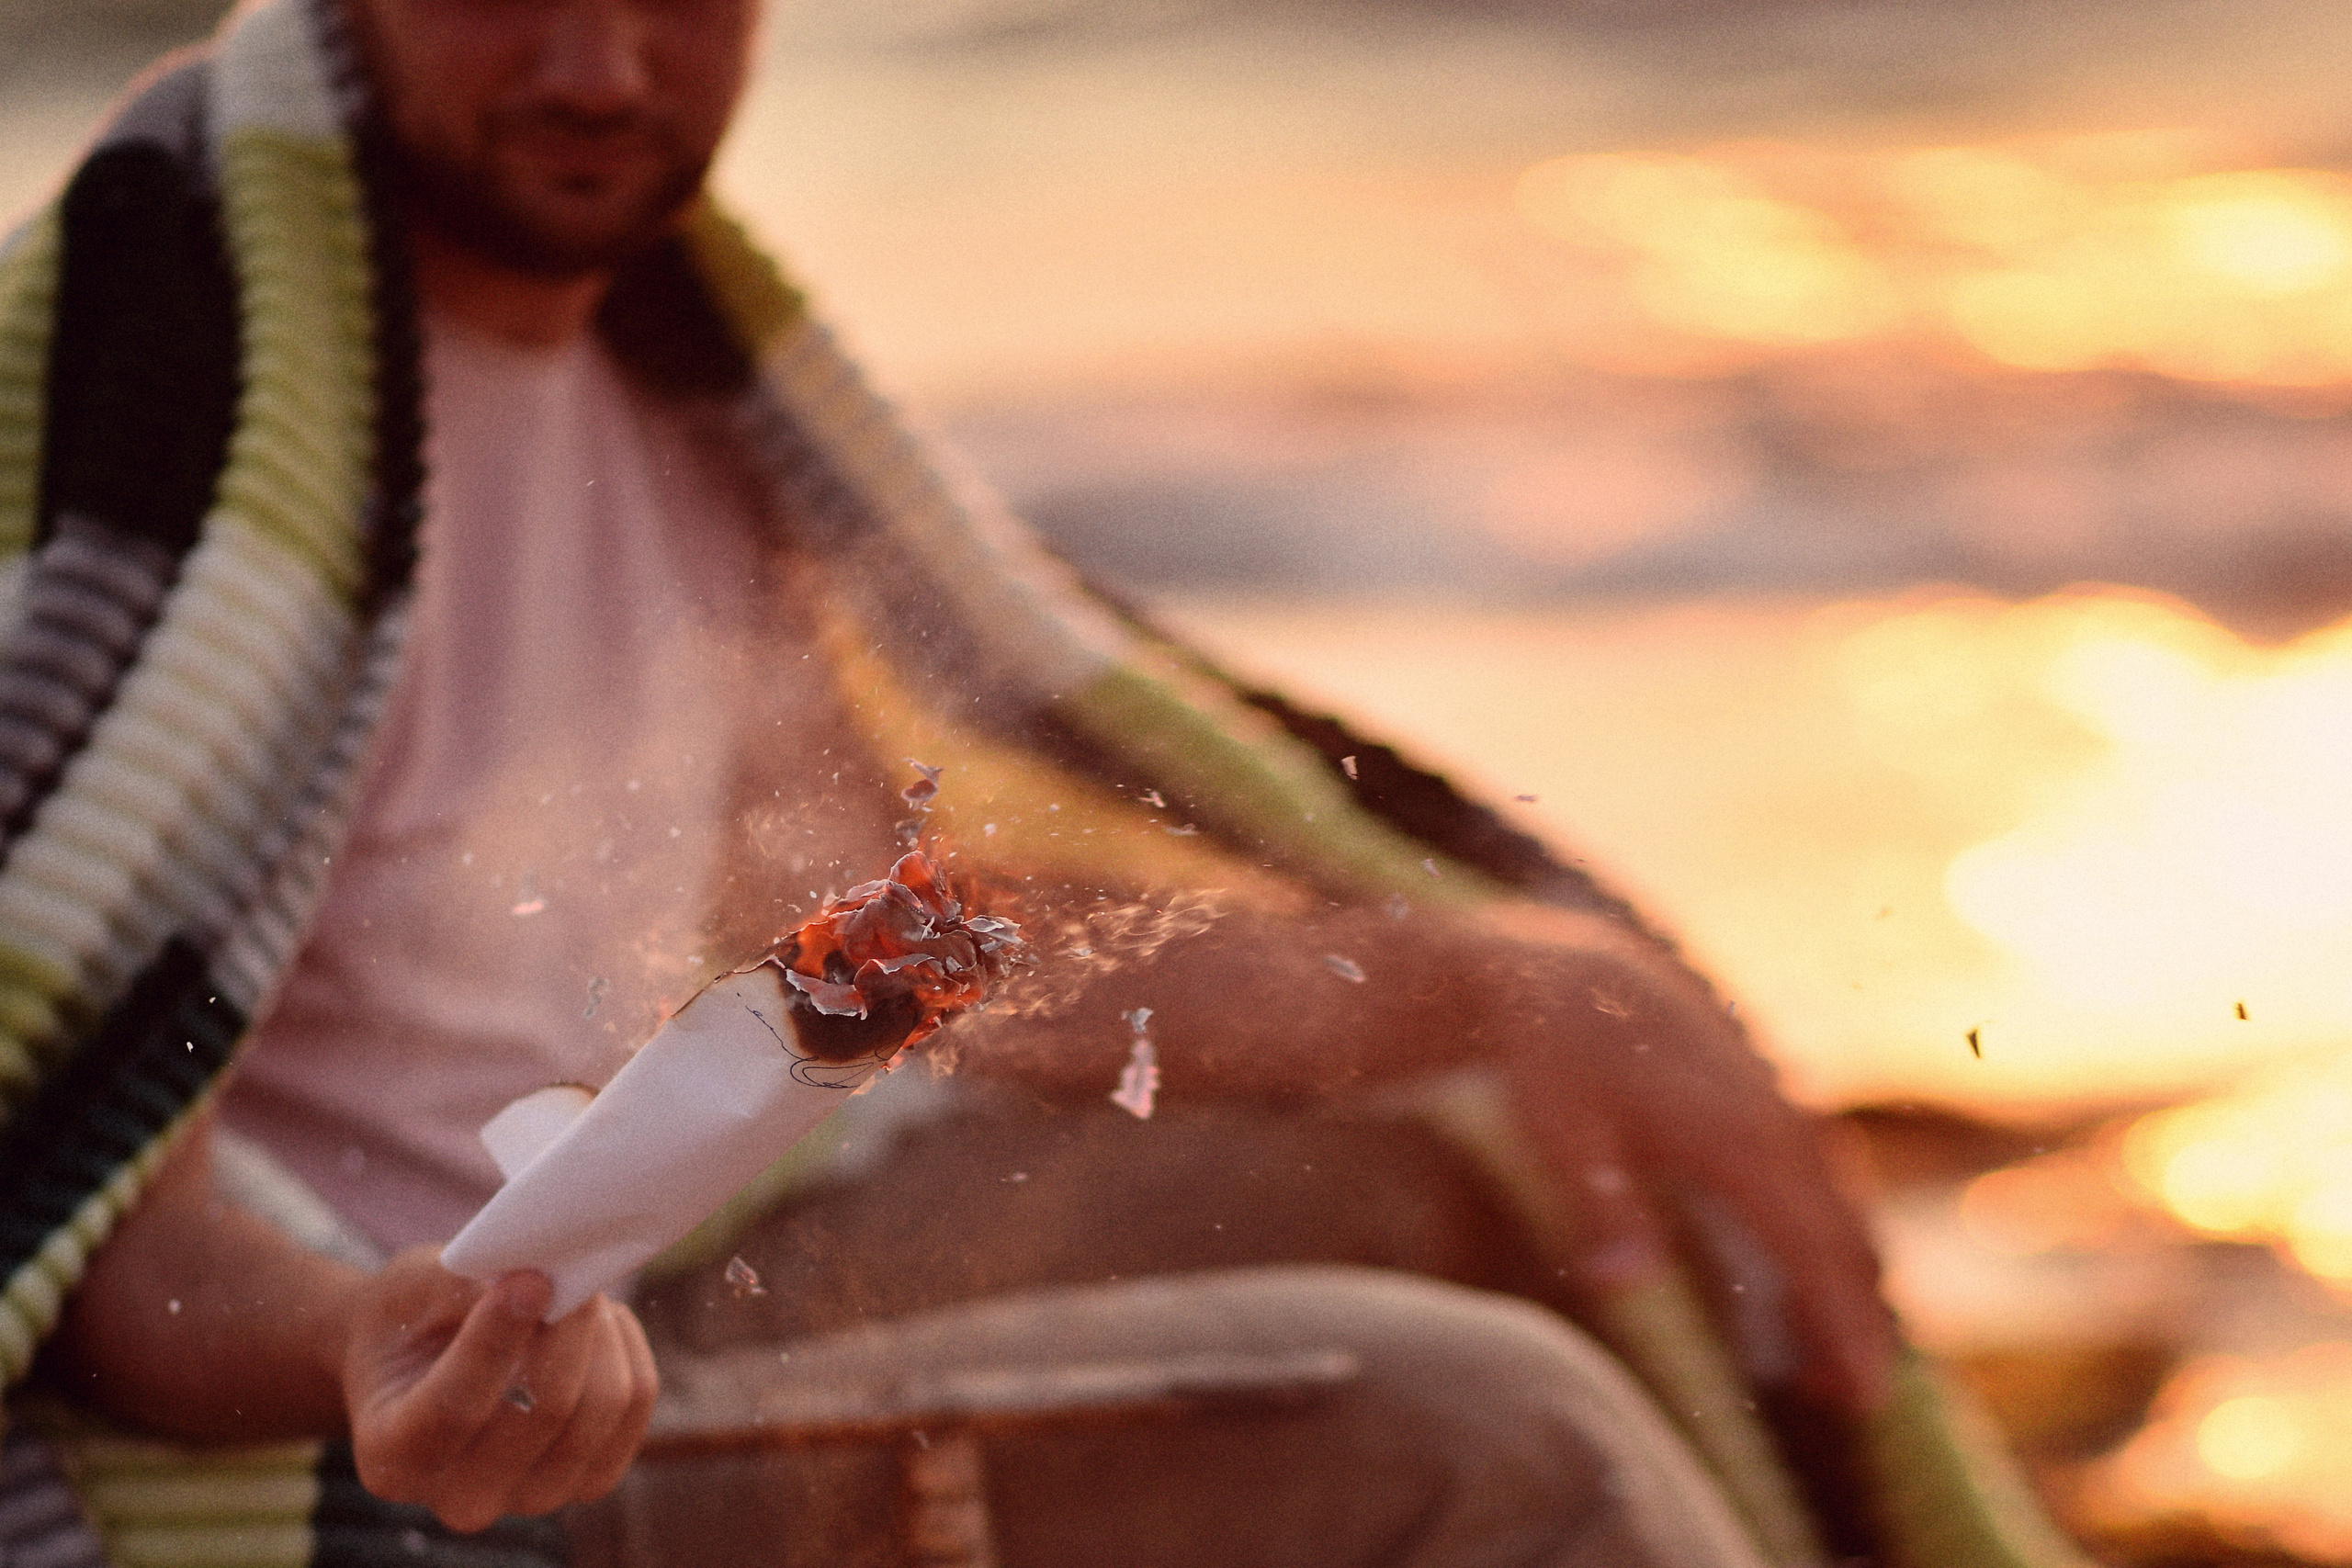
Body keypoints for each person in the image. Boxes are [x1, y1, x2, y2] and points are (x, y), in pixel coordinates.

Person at [0, 1, 2064, 1564]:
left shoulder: (667, 384)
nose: (603, 64)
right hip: (435, 1410)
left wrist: (1497, 983)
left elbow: (885, 955)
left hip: (727, 1258)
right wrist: (385, 1340)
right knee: (1489, 1430)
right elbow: (93, 1177)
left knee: (1499, 1167)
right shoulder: (160, 417)